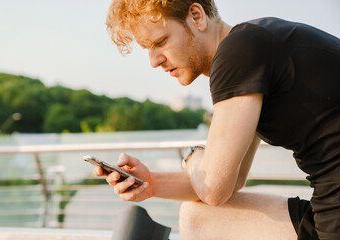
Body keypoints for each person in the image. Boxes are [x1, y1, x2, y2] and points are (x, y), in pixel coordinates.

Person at [94, 0, 340, 239]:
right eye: (148, 48)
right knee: (197, 214)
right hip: (330, 206)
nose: (154, 61)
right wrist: (150, 183)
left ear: (196, 17)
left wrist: (193, 155)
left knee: (198, 217)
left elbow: (213, 187)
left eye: (161, 42)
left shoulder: (239, 51)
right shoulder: (255, 45)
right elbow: (229, 183)